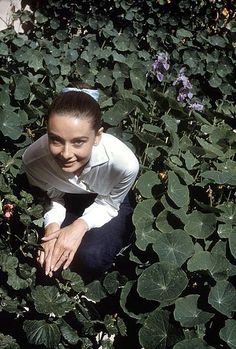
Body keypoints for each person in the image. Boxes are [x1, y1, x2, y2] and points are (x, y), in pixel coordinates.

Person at [22, 86, 139, 282]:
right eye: (56, 140)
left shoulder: (123, 164)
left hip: (107, 200)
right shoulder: (33, 160)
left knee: (92, 255)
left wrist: (79, 226)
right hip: (65, 198)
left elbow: (109, 204)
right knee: (47, 254)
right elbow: (50, 198)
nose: (66, 154)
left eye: (78, 142)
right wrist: (51, 228)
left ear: (97, 136)